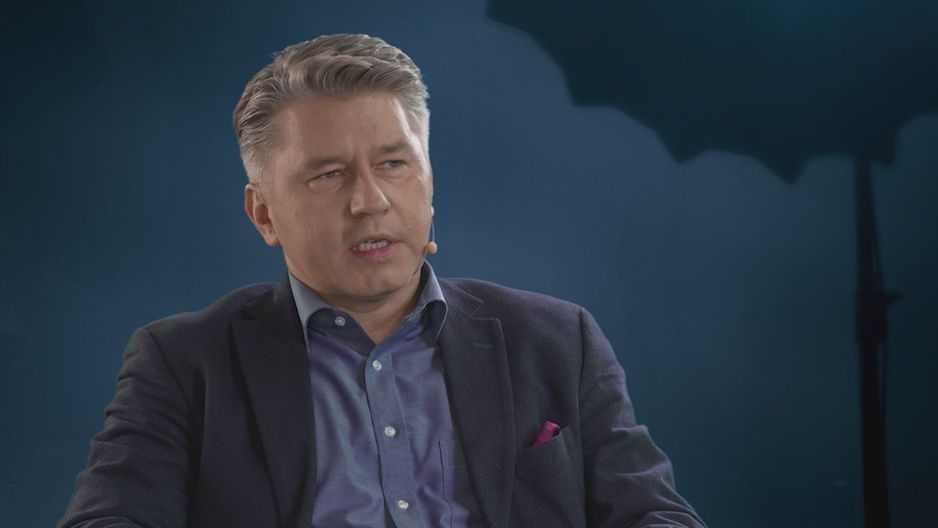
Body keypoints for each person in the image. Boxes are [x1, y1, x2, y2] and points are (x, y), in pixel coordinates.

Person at [59, 34, 705, 528]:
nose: (370, 201)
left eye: (394, 164)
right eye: (328, 174)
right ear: (263, 213)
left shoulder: (559, 340)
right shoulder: (183, 364)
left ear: (429, 180)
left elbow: (657, 516)